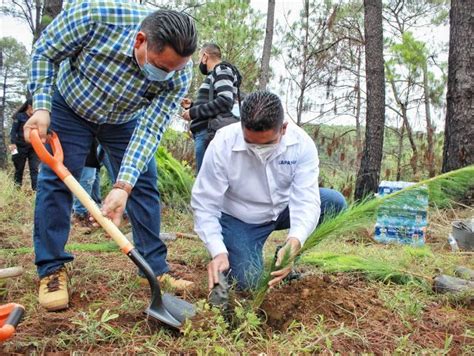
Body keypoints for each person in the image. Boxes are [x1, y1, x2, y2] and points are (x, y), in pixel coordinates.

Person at [24, 1, 197, 311]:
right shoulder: (94, 15)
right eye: (160, 67)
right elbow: (45, 52)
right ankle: (51, 269)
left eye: (175, 69)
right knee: (58, 180)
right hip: (71, 106)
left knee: (144, 182)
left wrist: (123, 186)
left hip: (124, 120)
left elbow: (150, 130)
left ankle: (154, 268)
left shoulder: (178, 75)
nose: (167, 75)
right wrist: (41, 107)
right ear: (140, 41)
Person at [191, 91, 347, 291]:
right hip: (241, 218)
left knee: (335, 203)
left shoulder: (301, 144)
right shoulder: (223, 143)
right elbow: (205, 202)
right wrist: (218, 251)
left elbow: (306, 199)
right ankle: (238, 249)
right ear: (242, 127)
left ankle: (284, 255)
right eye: (250, 142)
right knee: (248, 284)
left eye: (267, 143)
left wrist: (295, 240)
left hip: (282, 208)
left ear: (283, 129)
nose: (258, 149)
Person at [181, 43, 241, 172]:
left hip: (208, 133)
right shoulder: (215, 74)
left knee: (206, 184)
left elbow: (225, 101)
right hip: (205, 133)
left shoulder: (222, 70)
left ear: (205, 57)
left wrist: (193, 112)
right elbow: (215, 102)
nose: (198, 62)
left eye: (199, 58)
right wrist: (192, 105)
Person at [9, 98, 40, 191]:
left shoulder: (36, 119)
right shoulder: (19, 116)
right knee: (19, 168)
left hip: (33, 147)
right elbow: (13, 131)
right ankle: (17, 189)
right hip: (19, 146)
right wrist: (13, 143)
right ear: (29, 107)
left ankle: (36, 190)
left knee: (34, 169)